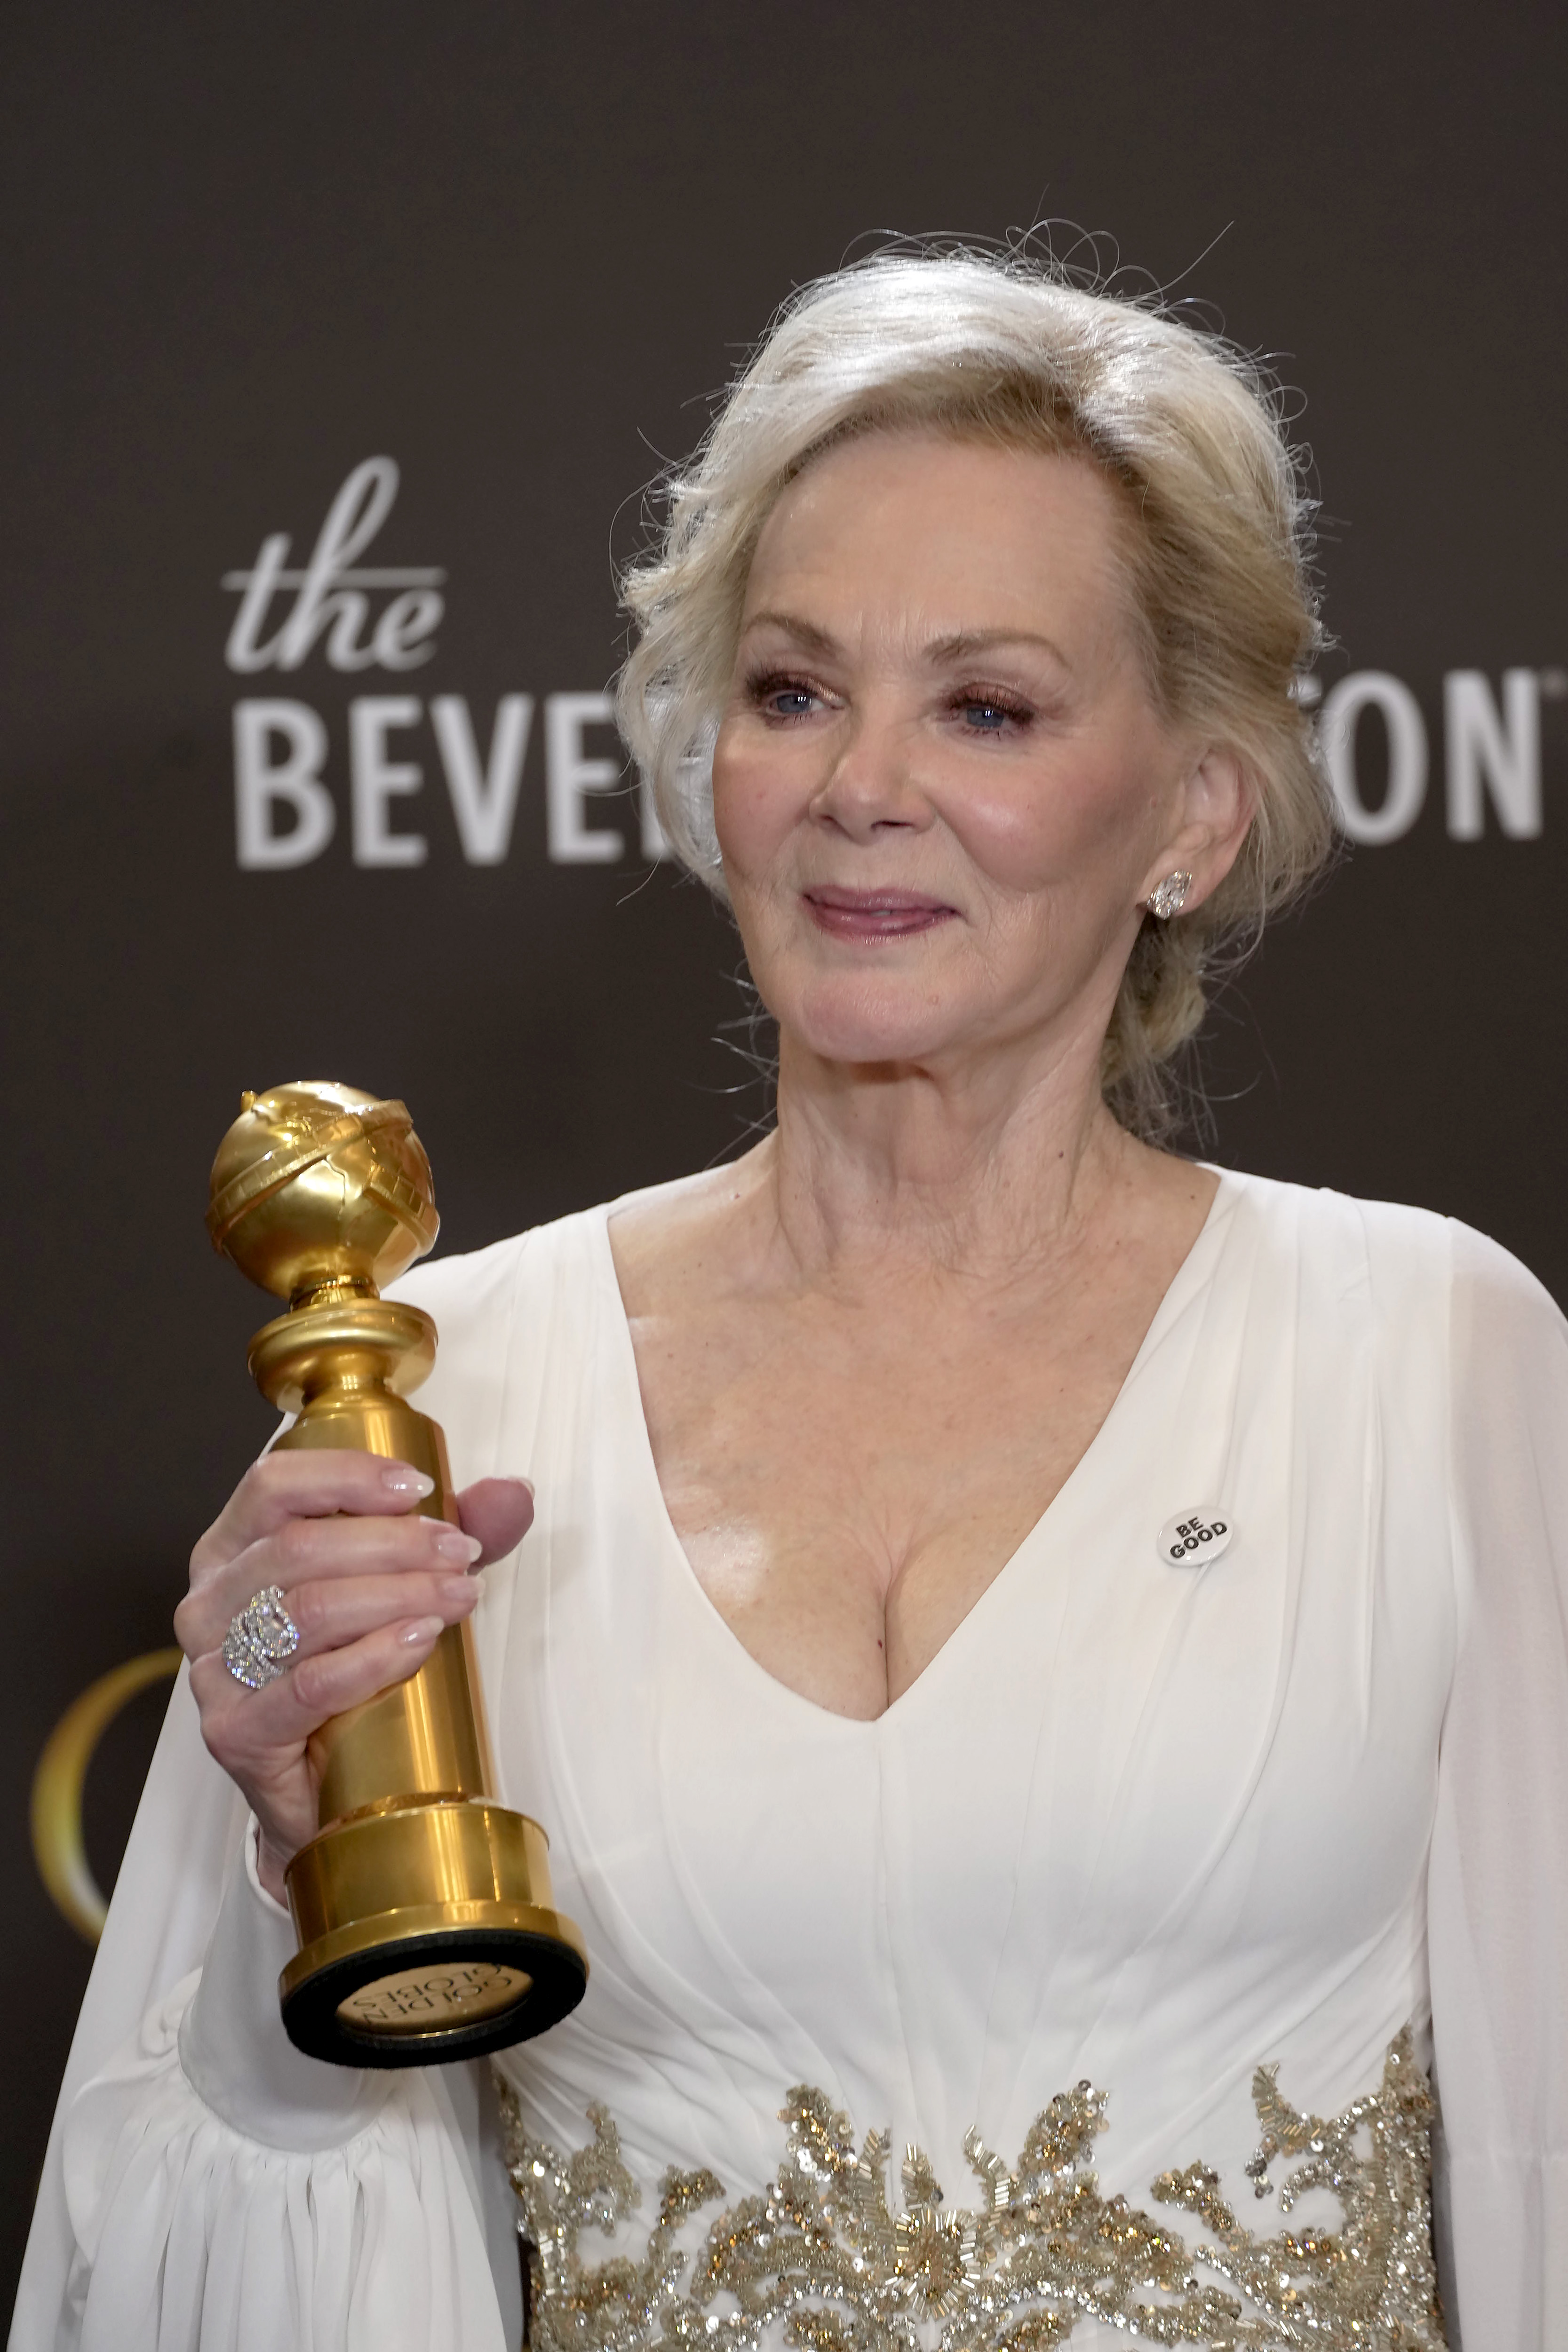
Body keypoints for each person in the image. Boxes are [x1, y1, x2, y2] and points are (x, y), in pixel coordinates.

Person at [12, 249, 1568, 2352]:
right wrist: (288, 1852)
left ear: (1194, 815)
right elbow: (265, 2211)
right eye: (793, 690)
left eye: (987, 706)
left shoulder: (1428, 1354)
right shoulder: (445, 1392)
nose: (859, 786)